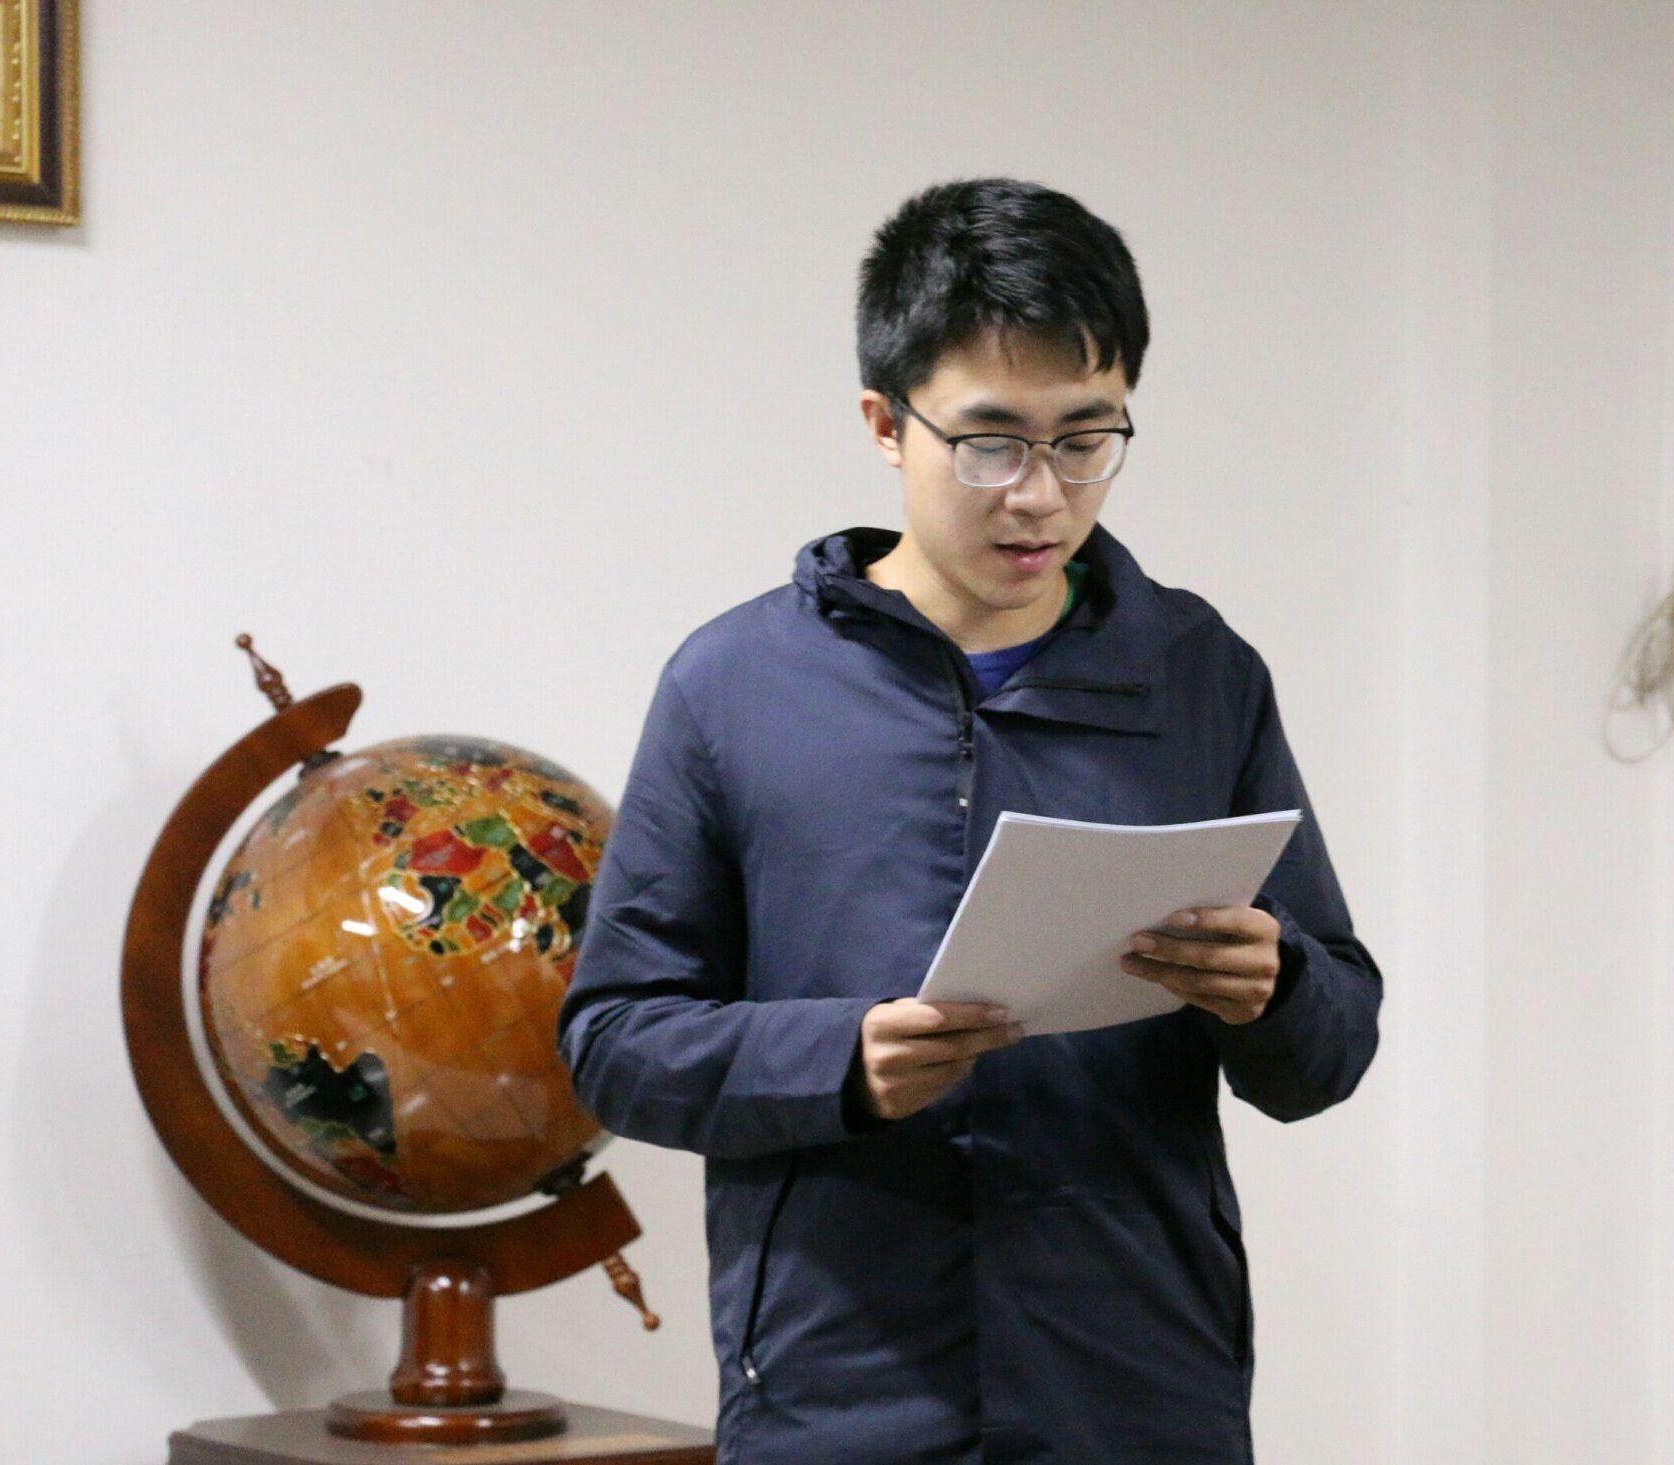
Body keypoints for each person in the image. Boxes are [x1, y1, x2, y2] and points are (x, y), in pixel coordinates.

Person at [556, 175, 1383, 1464]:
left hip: (1138, 1389)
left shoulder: (1200, 676)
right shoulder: (734, 687)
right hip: (838, 1395)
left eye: (1085, 439)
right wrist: (837, 1059)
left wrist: (1274, 989)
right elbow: (615, 1042)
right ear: (887, 424)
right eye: (991, 442)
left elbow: (1333, 1047)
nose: (1040, 495)